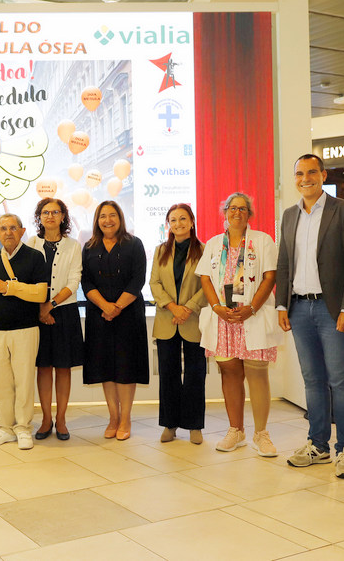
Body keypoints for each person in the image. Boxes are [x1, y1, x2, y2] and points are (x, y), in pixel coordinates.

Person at [276, 154, 344, 477]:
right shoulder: (289, 215)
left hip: (334, 311)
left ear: (323, 175)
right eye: (299, 173)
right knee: (312, 380)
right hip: (299, 309)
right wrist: (282, 304)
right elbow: (284, 262)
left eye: (312, 172)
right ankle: (318, 445)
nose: (305, 178)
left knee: (341, 381)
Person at [199, 194, 282, 456]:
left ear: (250, 214)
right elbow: (205, 279)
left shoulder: (262, 240)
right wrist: (216, 307)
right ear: (224, 212)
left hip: (252, 315)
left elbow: (270, 277)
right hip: (223, 318)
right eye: (232, 208)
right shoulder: (214, 244)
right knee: (230, 374)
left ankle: (261, 434)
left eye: (243, 208)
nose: (237, 212)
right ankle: (236, 430)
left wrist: (252, 308)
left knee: (257, 373)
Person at [82, 201, 148, 441]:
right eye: (102, 216)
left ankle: (126, 418)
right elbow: (86, 282)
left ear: (120, 218)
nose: (107, 220)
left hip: (128, 314)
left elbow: (138, 280)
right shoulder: (89, 246)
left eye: (112, 215)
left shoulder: (134, 244)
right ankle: (113, 417)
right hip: (99, 315)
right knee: (105, 367)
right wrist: (105, 306)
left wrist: (117, 307)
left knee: (126, 367)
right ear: (97, 220)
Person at [0, 214, 49, 450]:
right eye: (3, 228)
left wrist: (10, 287)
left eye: (13, 228)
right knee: (1, 382)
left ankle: (23, 427)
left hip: (25, 329)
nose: (8, 232)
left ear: (22, 231)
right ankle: (5, 428)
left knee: (23, 380)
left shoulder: (35, 257)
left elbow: (41, 294)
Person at [149, 203, 207, 445]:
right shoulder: (160, 250)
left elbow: (208, 285)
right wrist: (173, 307)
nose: (178, 223)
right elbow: (154, 284)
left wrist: (188, 308)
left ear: (192, 222)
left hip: (194, 320)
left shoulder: (204, 250)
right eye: (173, 220)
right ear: (168, 225)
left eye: (183, 219)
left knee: (195, 375)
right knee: (168, 374)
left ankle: (194, 426)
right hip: (167, 319)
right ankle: (170, 425)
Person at [26, 198, 83, 441]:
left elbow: (74, 281)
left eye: (55, 212)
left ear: (63, 216)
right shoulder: (31, 243)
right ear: (39, 217)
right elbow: (26, 278)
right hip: (36, 311)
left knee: (63, 367)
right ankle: (46, 419)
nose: (50, 216)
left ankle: (61, 419)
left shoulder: (73, 246)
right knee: (43, 367)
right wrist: (41, 308)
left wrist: (50, 305)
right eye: (45, 212)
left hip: (64, 312)